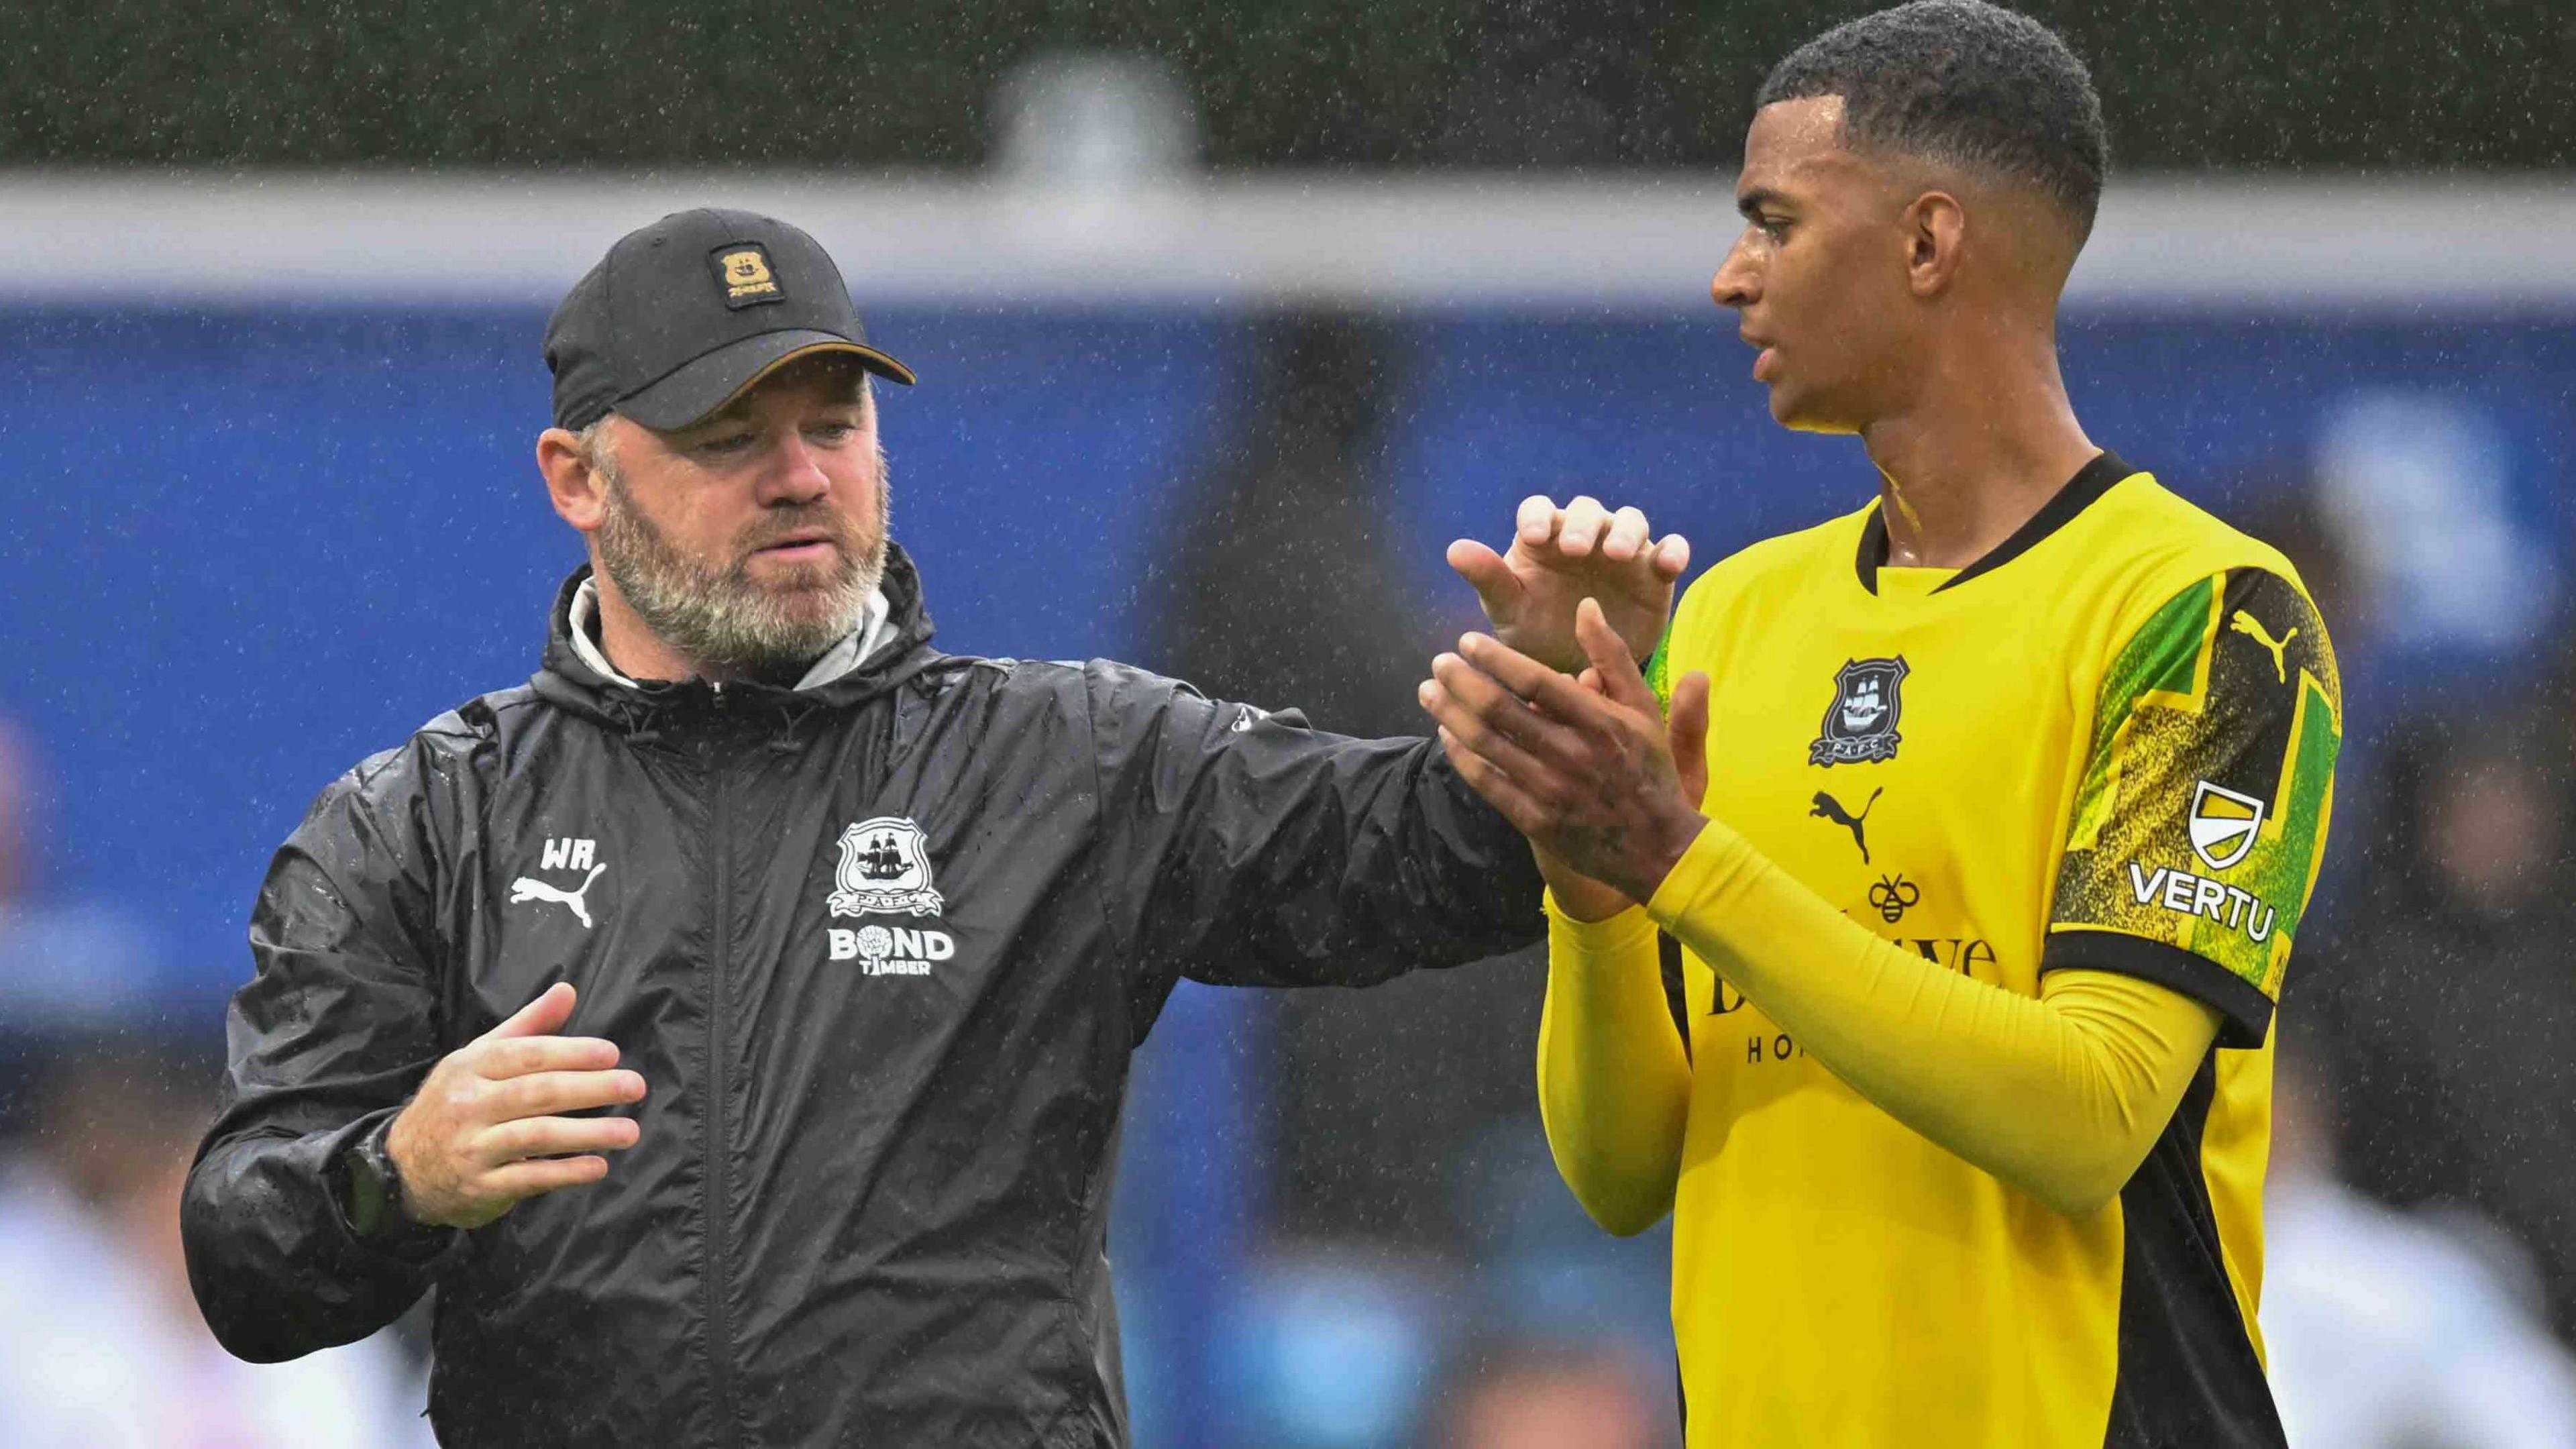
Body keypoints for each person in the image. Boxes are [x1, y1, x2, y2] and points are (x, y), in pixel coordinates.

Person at [179, 207, 1688, 1446]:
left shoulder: (1073, 760)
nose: (799, 476)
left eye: (832, 421)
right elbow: (246, 1259)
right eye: (727, 433)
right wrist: (398, 1173)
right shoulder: (419, 825)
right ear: (578, 477)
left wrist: (1555, 706)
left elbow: (1429, 860)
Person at [1418, 4, 2343, 1445]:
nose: (1731, 278)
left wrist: (1679, 860)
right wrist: (1587, 870)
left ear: (1927, 245)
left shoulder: (2206, 614)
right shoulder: (1731, 619)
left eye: (1774, 224)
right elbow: (1618, 1175)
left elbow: (2090, 1114)